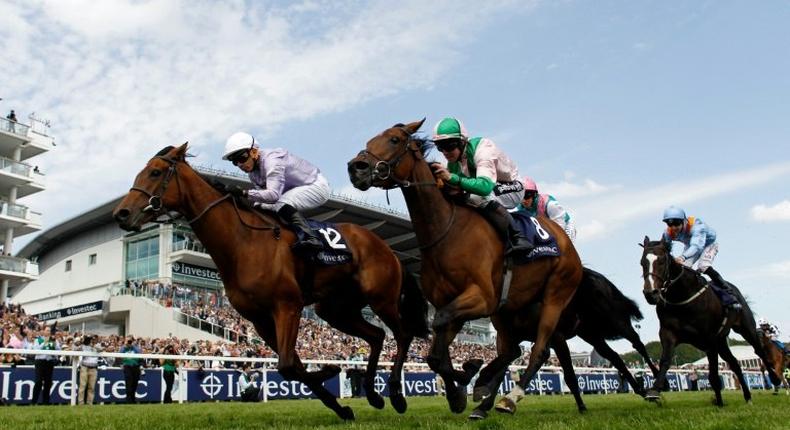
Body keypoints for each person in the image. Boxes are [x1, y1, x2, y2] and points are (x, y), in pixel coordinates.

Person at [430, 117, 533, 255]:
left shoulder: (483, 149)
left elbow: (484, 187)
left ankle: (518, 237)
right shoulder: (453, 162)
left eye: (449, 145)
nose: (445, 152)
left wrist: (451, 177)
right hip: (490, 186)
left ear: (462, 142)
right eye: (440, 147)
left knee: (478, 197)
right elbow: (457, 189)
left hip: (513, 186)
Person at [222, 131, 330, 254]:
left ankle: (312, 238)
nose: (240, 164)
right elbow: (261, 200)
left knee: (281, 203)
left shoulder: (272, 161)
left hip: (315, 185)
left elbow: (273, 196)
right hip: (293, 190)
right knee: (260, 206)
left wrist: (244, 193)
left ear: (254, 151)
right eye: (235, 162)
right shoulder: (253, 174)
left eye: (242, 158)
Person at [661, 206, 741, 310]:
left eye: (676, 223)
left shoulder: (697, 226)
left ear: (684, 221)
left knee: (703, 266)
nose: (673, 227)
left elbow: (697, 247)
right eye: (669, 224)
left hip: (708, 244)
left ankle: (729, 292)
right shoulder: (668, 232)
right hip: (691, 246)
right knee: (683, 270)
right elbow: (665, 249)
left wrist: (683, 257)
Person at [517, 176, 577, 243]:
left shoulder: (550, 204)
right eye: (520, 197)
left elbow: (559, 228)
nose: (523, 201)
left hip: (564, 226)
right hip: (545, 229)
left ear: (534, 195)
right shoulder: (519, 209)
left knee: (562, 245)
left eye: (527, 196)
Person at [31, 325, 60, 405]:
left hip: (49, 362)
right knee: (38, 381)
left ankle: (45, 402)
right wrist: (45, 342)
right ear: (43, 331)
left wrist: (53, 342)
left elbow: (58, 350)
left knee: (48, 382)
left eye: (49, 331)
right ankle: (34, 401)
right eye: (47, 330)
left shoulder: (53, 340)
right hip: (40, 362)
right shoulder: (38, 339)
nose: (48, 332)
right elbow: (36, 350)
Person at [78, 335, 100, 405]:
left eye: (94, 339)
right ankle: (80, 403)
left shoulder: (97, 347)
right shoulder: (83, 346)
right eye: (91, 339)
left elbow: (103, 349)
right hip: (85, 367)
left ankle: (89, 403)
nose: (92, 341)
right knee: (82, 386)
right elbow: (75, 349)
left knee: (92, 387)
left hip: (93, 368)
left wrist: (94, 346)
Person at [120, 336, 142, 404]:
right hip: (127, 367)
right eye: (128, 341)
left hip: (135, 367)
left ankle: (133, 399)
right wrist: (125, 346)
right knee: (128, 384)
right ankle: (128, 400)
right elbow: (120, 354)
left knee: (135, 383)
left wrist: (132, 346)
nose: (129, 342)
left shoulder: (136, 348)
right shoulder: (123, 348)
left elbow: (139, 353)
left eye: (130, 341)